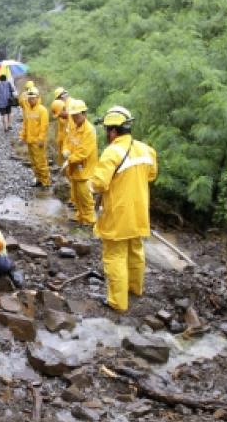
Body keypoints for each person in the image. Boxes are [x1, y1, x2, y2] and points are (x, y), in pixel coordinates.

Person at [89, 106, 157, 312]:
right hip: (139, 212)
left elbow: (99, 184)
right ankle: (135, 289)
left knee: (114, 256)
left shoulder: (113, 151)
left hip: (118, 213)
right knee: (135, 250)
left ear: (113, 131)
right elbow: (151, 175)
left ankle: (118, 302)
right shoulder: (147, 149)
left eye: (107, 130)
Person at [62, 99, 97, 224]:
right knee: (76, 197)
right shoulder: (73, 127)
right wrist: (65, 150)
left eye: (77, 115)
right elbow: (67, 141)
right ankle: (80, 217)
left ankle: (89, 221)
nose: (75, 118)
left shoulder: (89, 131)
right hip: (74, 169)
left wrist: (69, 159)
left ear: (84, 114)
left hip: (85, 170)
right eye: (73, 115)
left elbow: (84, 152)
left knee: (85, 197)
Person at [19, 87, 50, 187]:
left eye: (32, 98)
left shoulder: (42, 110)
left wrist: (41, 139)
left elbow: (44, 127)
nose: (30, 100)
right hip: (30, 141)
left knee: (41, 163)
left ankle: (45, 182)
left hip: (38, 142)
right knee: (34, 163)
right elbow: (25, 124)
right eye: (29, 98)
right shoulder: (27, 110)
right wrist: (22, 137)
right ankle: (38, 179)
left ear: (37, 98)